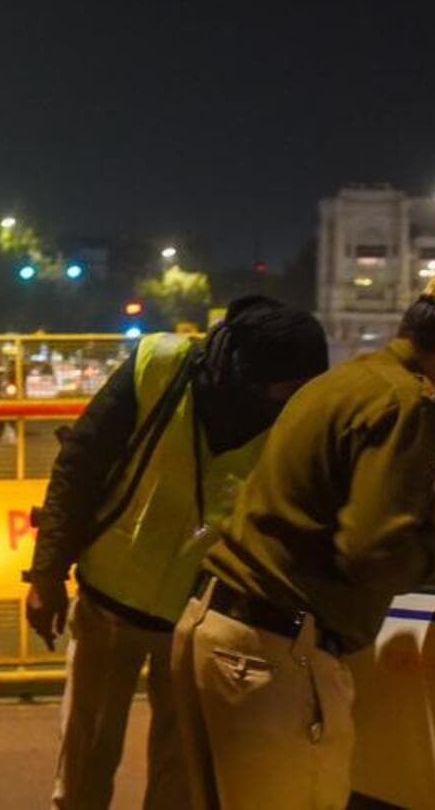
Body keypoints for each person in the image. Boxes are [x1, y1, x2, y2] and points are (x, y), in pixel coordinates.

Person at [171, 272, 435, 810]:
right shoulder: (408, 404)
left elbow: (404, 487)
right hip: (276, 659)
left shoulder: (350, 383)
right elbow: (376, 551)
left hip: (215, 633)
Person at [22, 296, 329, 810]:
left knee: (181, 776)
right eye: (288, 388)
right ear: (246, 373)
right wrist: (46, 575)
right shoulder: (157, 367)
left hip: (200, 621)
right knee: (84, 765)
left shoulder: (290, 415)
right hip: (109, 603)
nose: (296, 400)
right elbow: (79, 465)